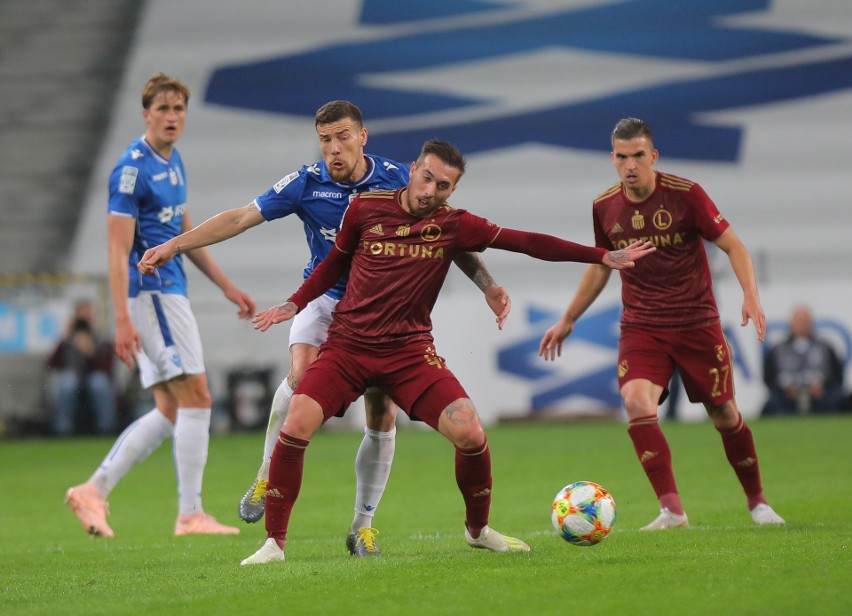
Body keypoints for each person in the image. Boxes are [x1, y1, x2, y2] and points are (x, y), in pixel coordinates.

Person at [235, 139, 654, 565]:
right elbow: (332, 266)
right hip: (350, 346)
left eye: (443, 185)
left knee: (470, 432)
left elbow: (528, 241)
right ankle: (274, 544)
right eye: (427, 177)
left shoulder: (454, 224)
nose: (430, 190)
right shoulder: (365, 209)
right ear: (413, 168)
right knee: (298, 421)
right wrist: (295, 302)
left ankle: (478, 530)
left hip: (409, 353)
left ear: (452, 190)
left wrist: (602, 254)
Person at [137, 100, 511, 556]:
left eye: (343, 137)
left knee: (382, 415)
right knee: (300, 382)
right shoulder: (306, 183)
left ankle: (363, 526)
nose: (334, 149)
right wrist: (174, 244)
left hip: (382, 314)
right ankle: (265, 475)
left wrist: (487, 284)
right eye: (326, 139)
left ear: (362, 137)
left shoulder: (401, 179)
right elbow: (239, 217)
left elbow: (454, 238)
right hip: (324, 302)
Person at [539, 117, 785, 530]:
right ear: (612, 158)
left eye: (638, 156)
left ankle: (758, 502)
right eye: (622, 157)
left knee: (724, 414)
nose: (630, 165)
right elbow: (602, 266)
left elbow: (733, 245)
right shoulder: (605, 207)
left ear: (653, 156)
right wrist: (568, 318)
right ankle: (672, 510)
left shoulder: (686, 196)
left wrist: (751, 295)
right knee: (636, 401)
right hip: (642, 326)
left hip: (696, 322)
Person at [65, 72, 255, 538]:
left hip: (170, 293)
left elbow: (185, 234)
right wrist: (124, 320)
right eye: (163, 109)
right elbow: (116, 251)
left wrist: (226, 285)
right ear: (146, 113)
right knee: (199, 398)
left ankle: (93, 490)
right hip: (152, 296)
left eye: (179, 109)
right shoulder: (131, 171)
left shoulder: (174, 161)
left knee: (172, 409)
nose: (172, 117)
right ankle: (190, 514)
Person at [46, 299, 117, 436]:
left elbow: (108, 370)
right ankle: (63, 429)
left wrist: (90, 353)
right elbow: (51, 363)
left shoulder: (102, 339)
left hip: (95, 379)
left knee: (99, 382)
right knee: (68, 382)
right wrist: (66, 338)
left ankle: (107, 428)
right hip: (72, 378)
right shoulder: (68, 340)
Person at [762, 305, 847, 415]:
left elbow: (838, 376)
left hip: (821, 396)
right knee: (770, 405)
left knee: (841, 399)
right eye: (799, 321)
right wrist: (785, 390)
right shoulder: (778, 350)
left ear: (811, 323)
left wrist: (823, 387)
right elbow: (768, 378)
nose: (801, 324)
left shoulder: (825, 348)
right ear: (791, 323)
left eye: (805, 321)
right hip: (787, 398)